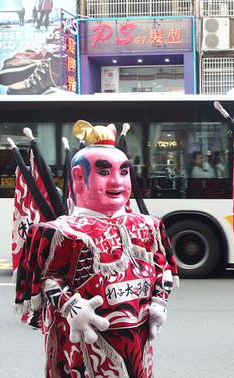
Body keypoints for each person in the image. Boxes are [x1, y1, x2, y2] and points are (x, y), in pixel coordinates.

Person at [14, 121, 178, 377]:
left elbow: (163, 268)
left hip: (139, 342)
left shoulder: (148, 225)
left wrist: (159, 301)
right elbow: (45, 279)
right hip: (84, 348)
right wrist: (70, 307)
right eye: (104, 172)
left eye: (124, 172)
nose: (117, 181)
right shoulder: (60, 231)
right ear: (79, 177)